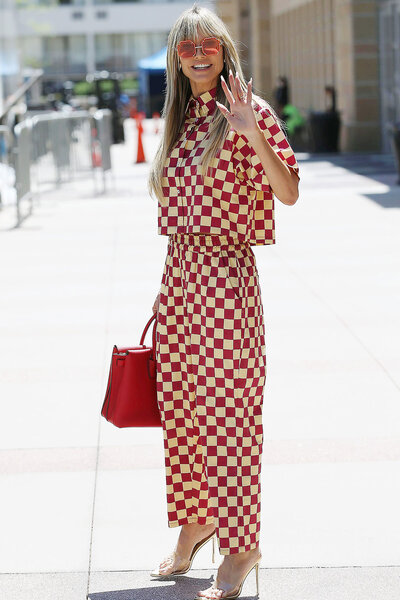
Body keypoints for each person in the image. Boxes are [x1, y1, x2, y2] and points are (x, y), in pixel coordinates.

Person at [148, 4, 300, 599]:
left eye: (209, 43)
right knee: (185, 416)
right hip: (179, 282)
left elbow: (288, 192)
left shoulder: (247, 111)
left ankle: (241, 547)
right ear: (177, 59)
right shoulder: (178, 122)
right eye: (187, 47)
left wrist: (251, 133)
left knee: (231, 419)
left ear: (225, 48)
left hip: (225, 281)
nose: (199, 53)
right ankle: (195, 524)